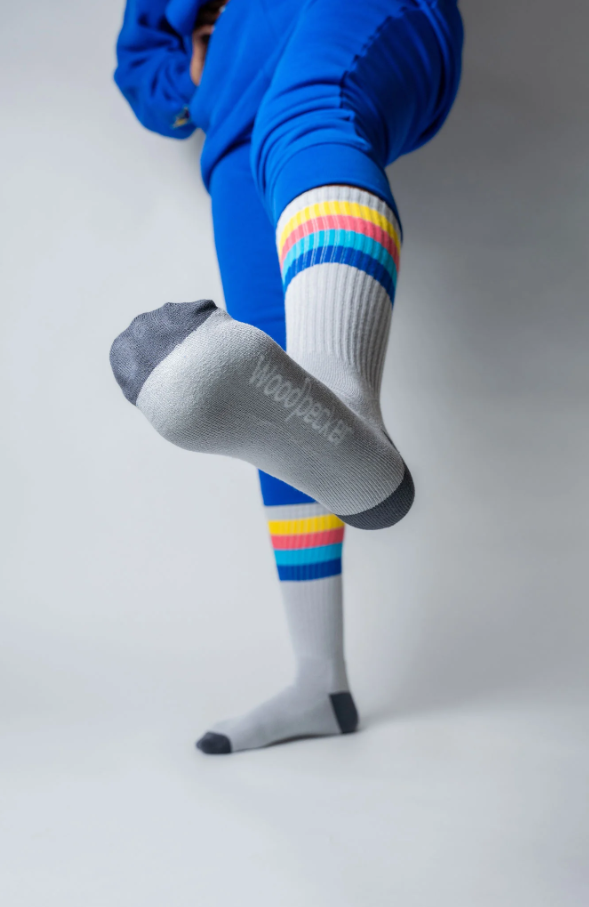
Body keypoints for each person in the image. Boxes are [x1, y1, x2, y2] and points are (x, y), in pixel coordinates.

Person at [110, 0, 464, 754]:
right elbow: (139, 65)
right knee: (272, 387)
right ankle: (318, 682)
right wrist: (195, 78)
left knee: (310, 112)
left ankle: (351, 408)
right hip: (231, 109)